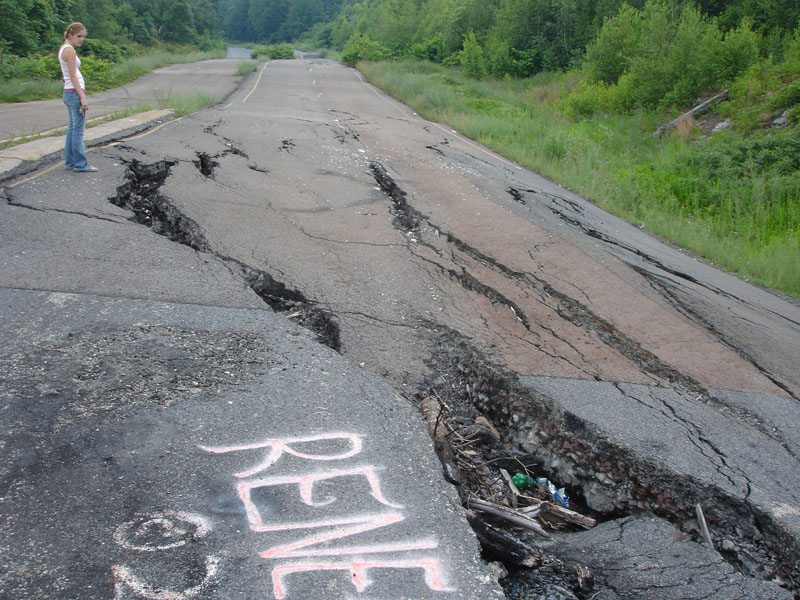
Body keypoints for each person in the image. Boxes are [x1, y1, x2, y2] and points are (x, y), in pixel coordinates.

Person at [58, 22, 97, 172]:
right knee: (78, 130)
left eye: (83, 37)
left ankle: (70, 162)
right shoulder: (70, 51)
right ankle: (80, 164)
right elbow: (73, 76)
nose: (81, 39)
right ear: (70, 35)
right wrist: (83, 97)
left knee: (72, 129)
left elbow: (67, 75)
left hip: (69, 92)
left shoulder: (64, 49)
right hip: (74, 93)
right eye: (79, 36)